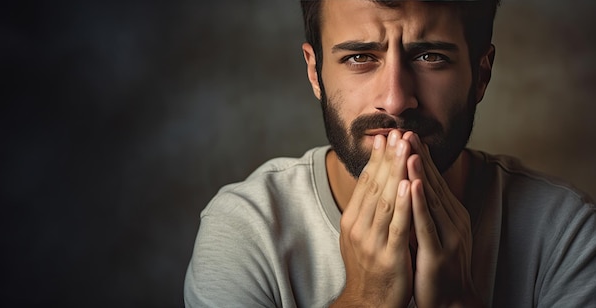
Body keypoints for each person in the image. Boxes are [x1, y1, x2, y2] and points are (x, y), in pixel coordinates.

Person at [184, 0, 596, 307]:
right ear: (315, 72)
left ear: (481, 75)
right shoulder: (245, 230)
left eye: (430, 56)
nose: (396, 101)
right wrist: (367, 298)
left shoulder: (565, 233)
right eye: (360, 57)